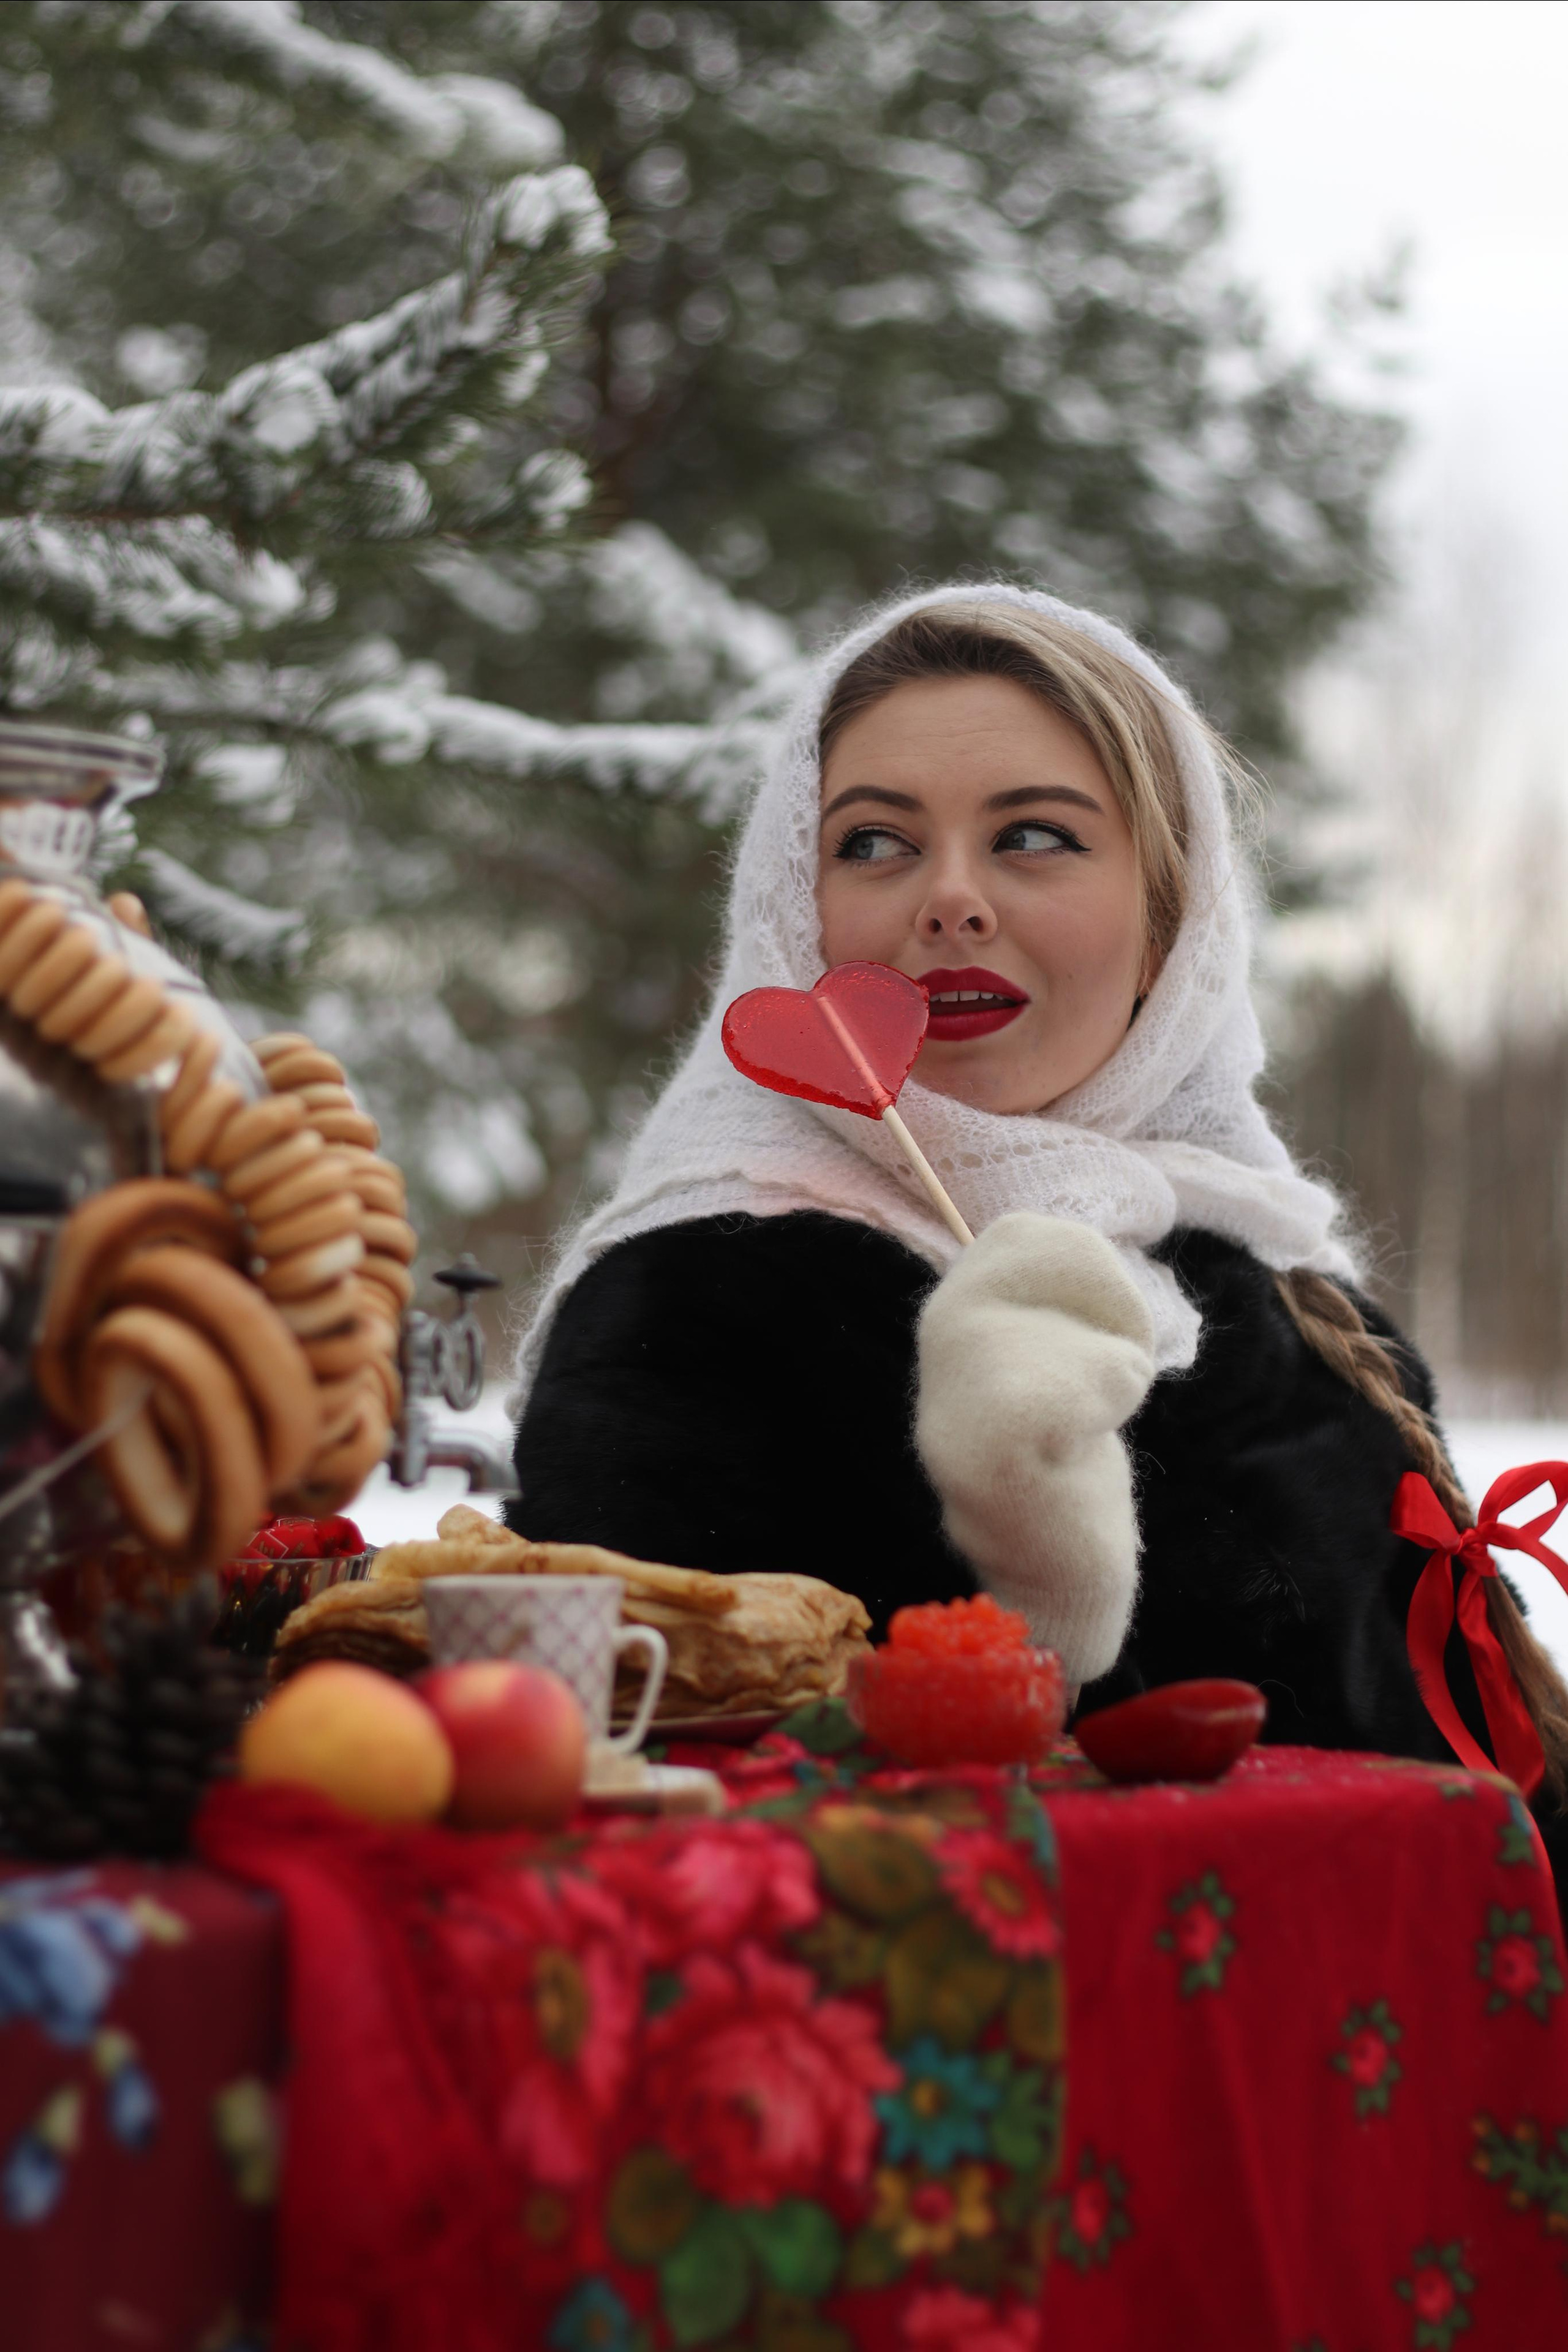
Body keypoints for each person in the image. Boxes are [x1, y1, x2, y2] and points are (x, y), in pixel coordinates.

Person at [507, 583, 1568, 1875]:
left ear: (1168, 924)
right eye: (874, 843)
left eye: (1034, 837)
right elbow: (663, 1845)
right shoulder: (705, 1301)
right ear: (792, 913)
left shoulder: (1286, 1300)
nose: (950, 899)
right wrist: (1030, 1607)